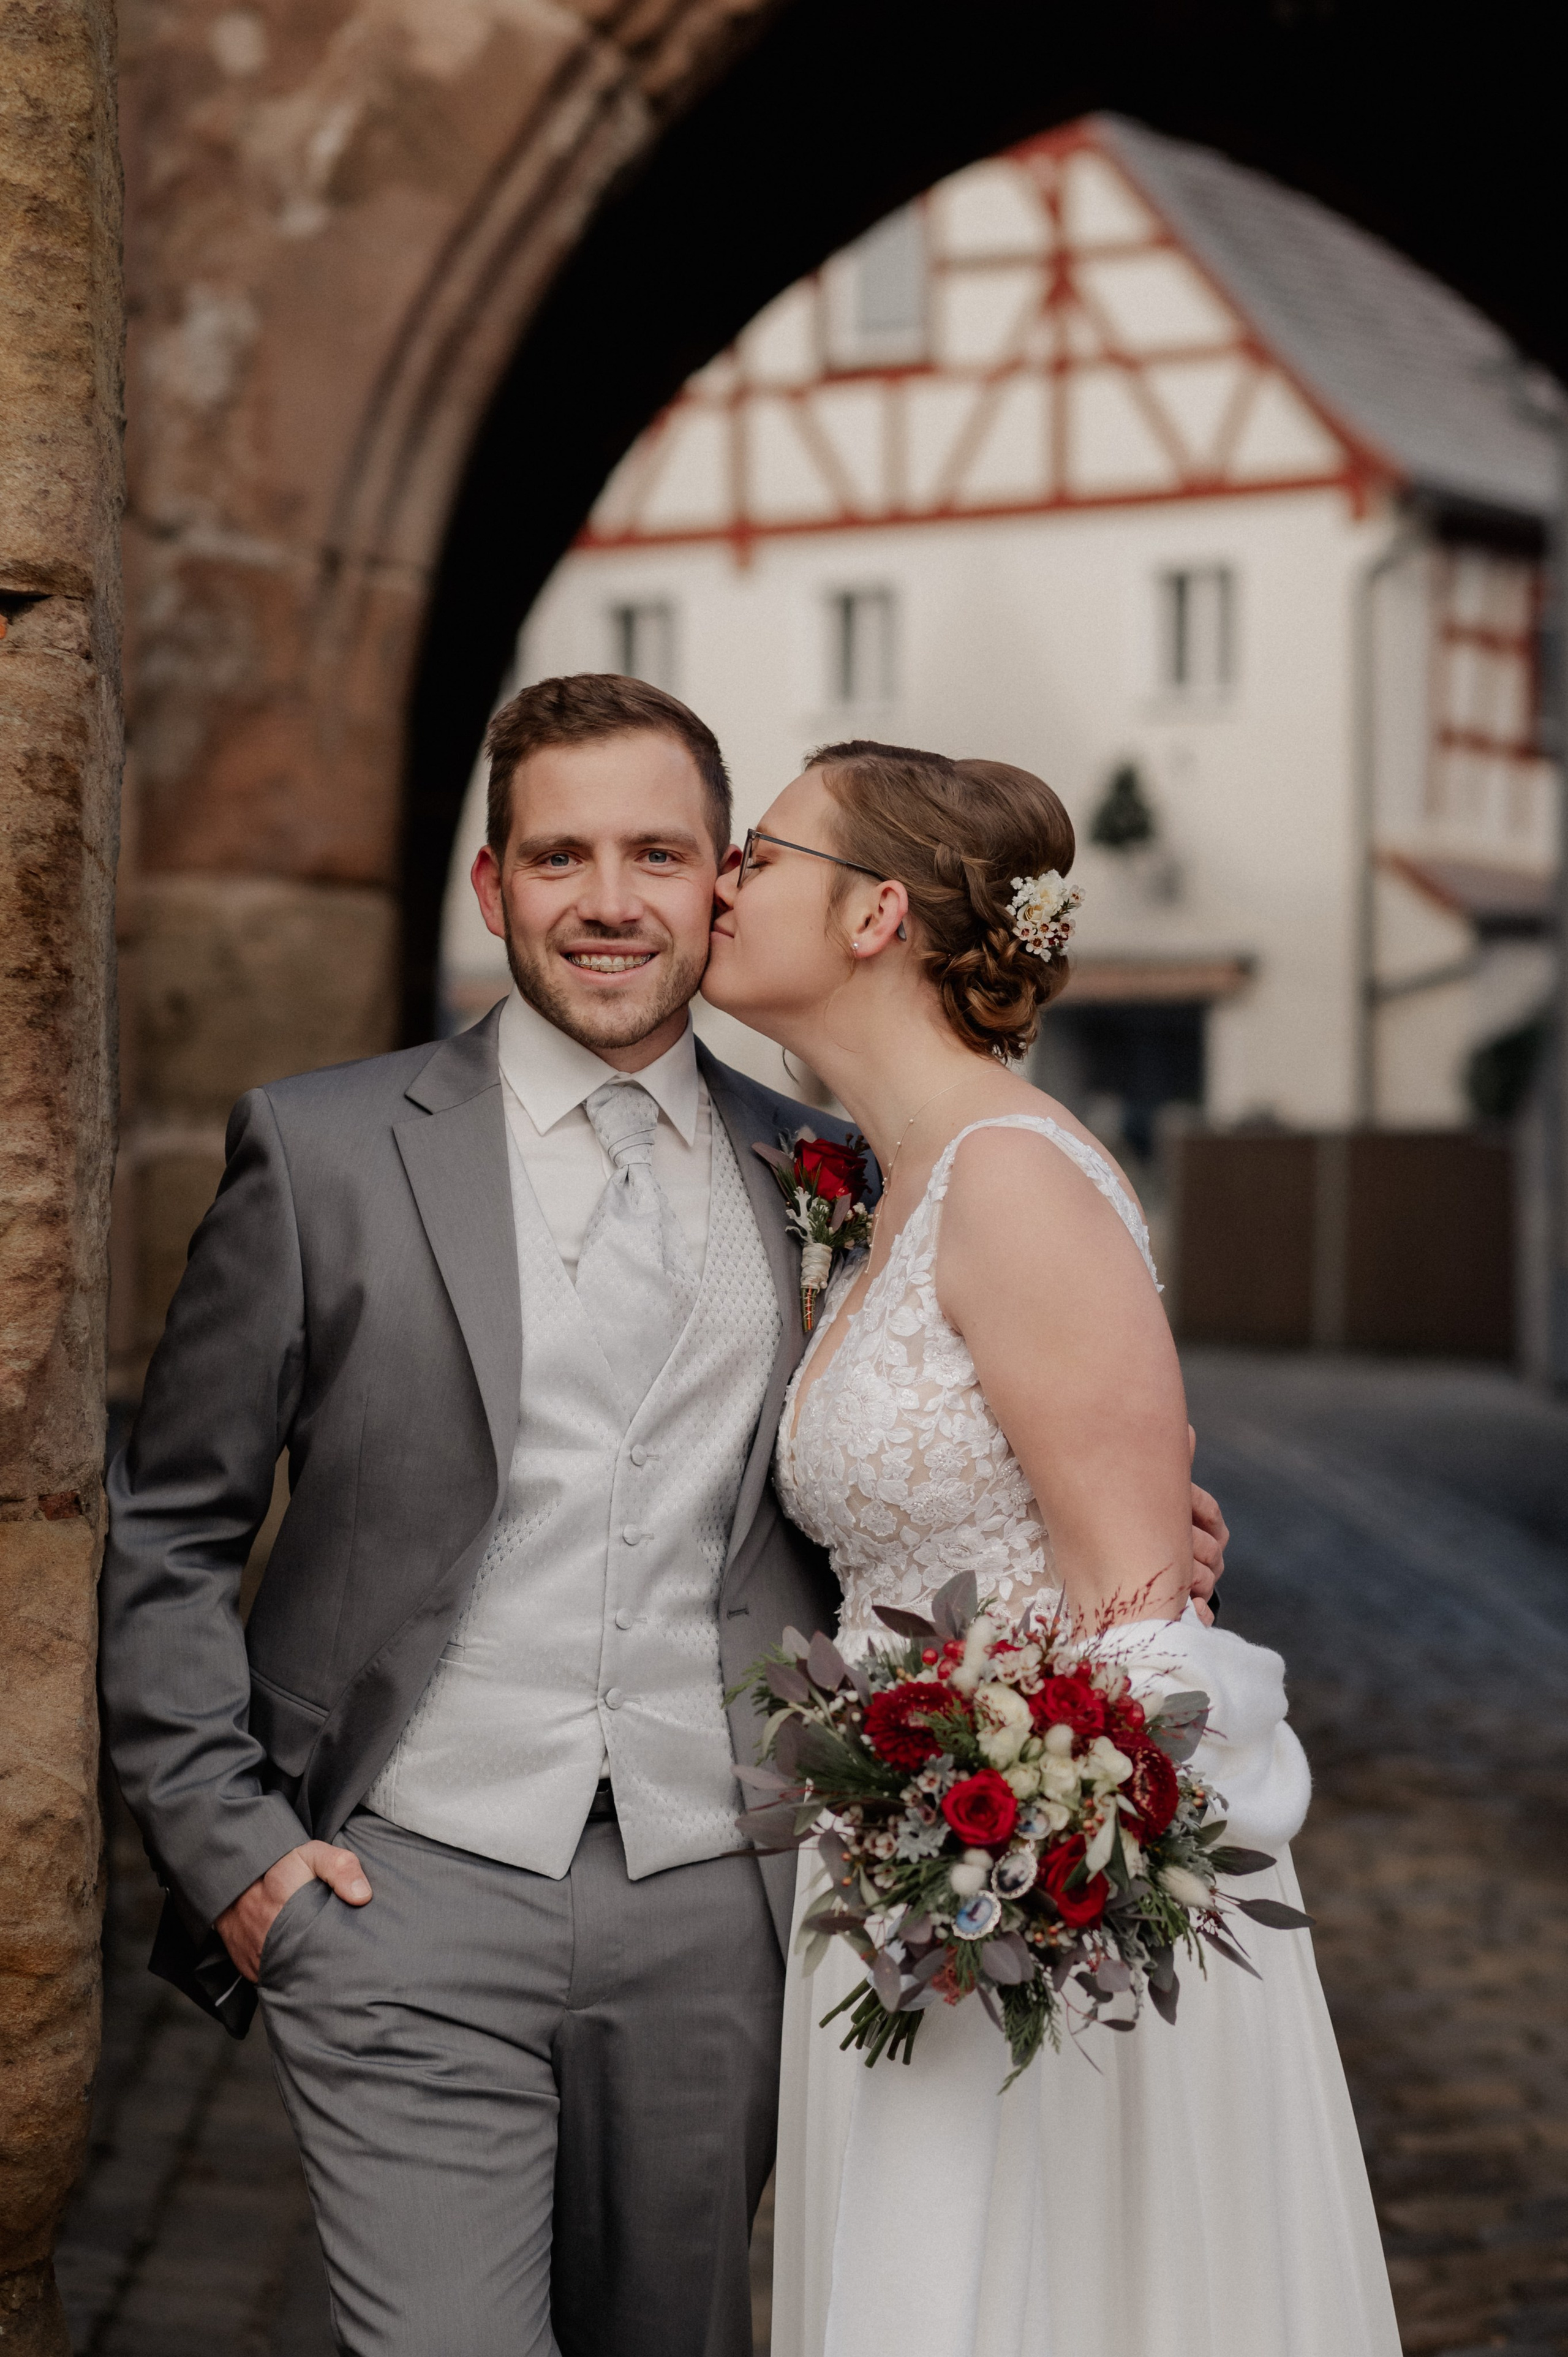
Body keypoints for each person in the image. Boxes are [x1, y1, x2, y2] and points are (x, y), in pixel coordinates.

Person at [100, 677, 1228, 2357]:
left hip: (732, 1912)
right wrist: (237, 1856)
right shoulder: (324, 1154)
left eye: (659, 853)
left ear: (720, 884)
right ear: (494, 890)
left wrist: (1134, 1545)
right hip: (401, 1889)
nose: (610, 901)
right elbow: (171, 1527)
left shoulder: (836, 1172)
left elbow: (983, 1443)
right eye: (559, 856)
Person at [702, 740, 1401, 2357]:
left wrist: (1029, 1872)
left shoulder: (1011, 1182)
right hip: (903, 1853)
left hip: (1028, 1889)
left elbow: (1143, 1616)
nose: (727, 881)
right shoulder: (893, 1186)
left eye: (761, 851)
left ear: (878, 913)